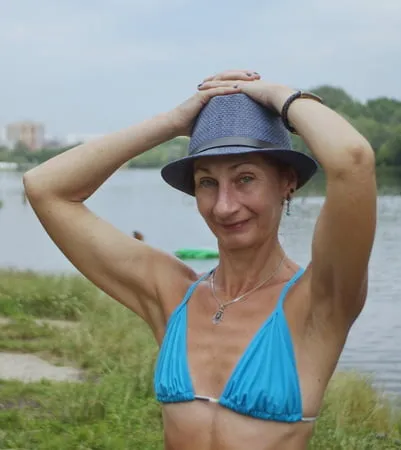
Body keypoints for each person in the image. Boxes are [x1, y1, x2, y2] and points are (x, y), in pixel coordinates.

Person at [23, 69, 377, 450]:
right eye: (207, 182)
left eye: (245, 179)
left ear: (286, 182)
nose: (225, 206)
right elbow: (46, 188)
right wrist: (173, 123)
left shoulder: (319, 303)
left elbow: (352, 159)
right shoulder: (172, 295)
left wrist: (275, 96)